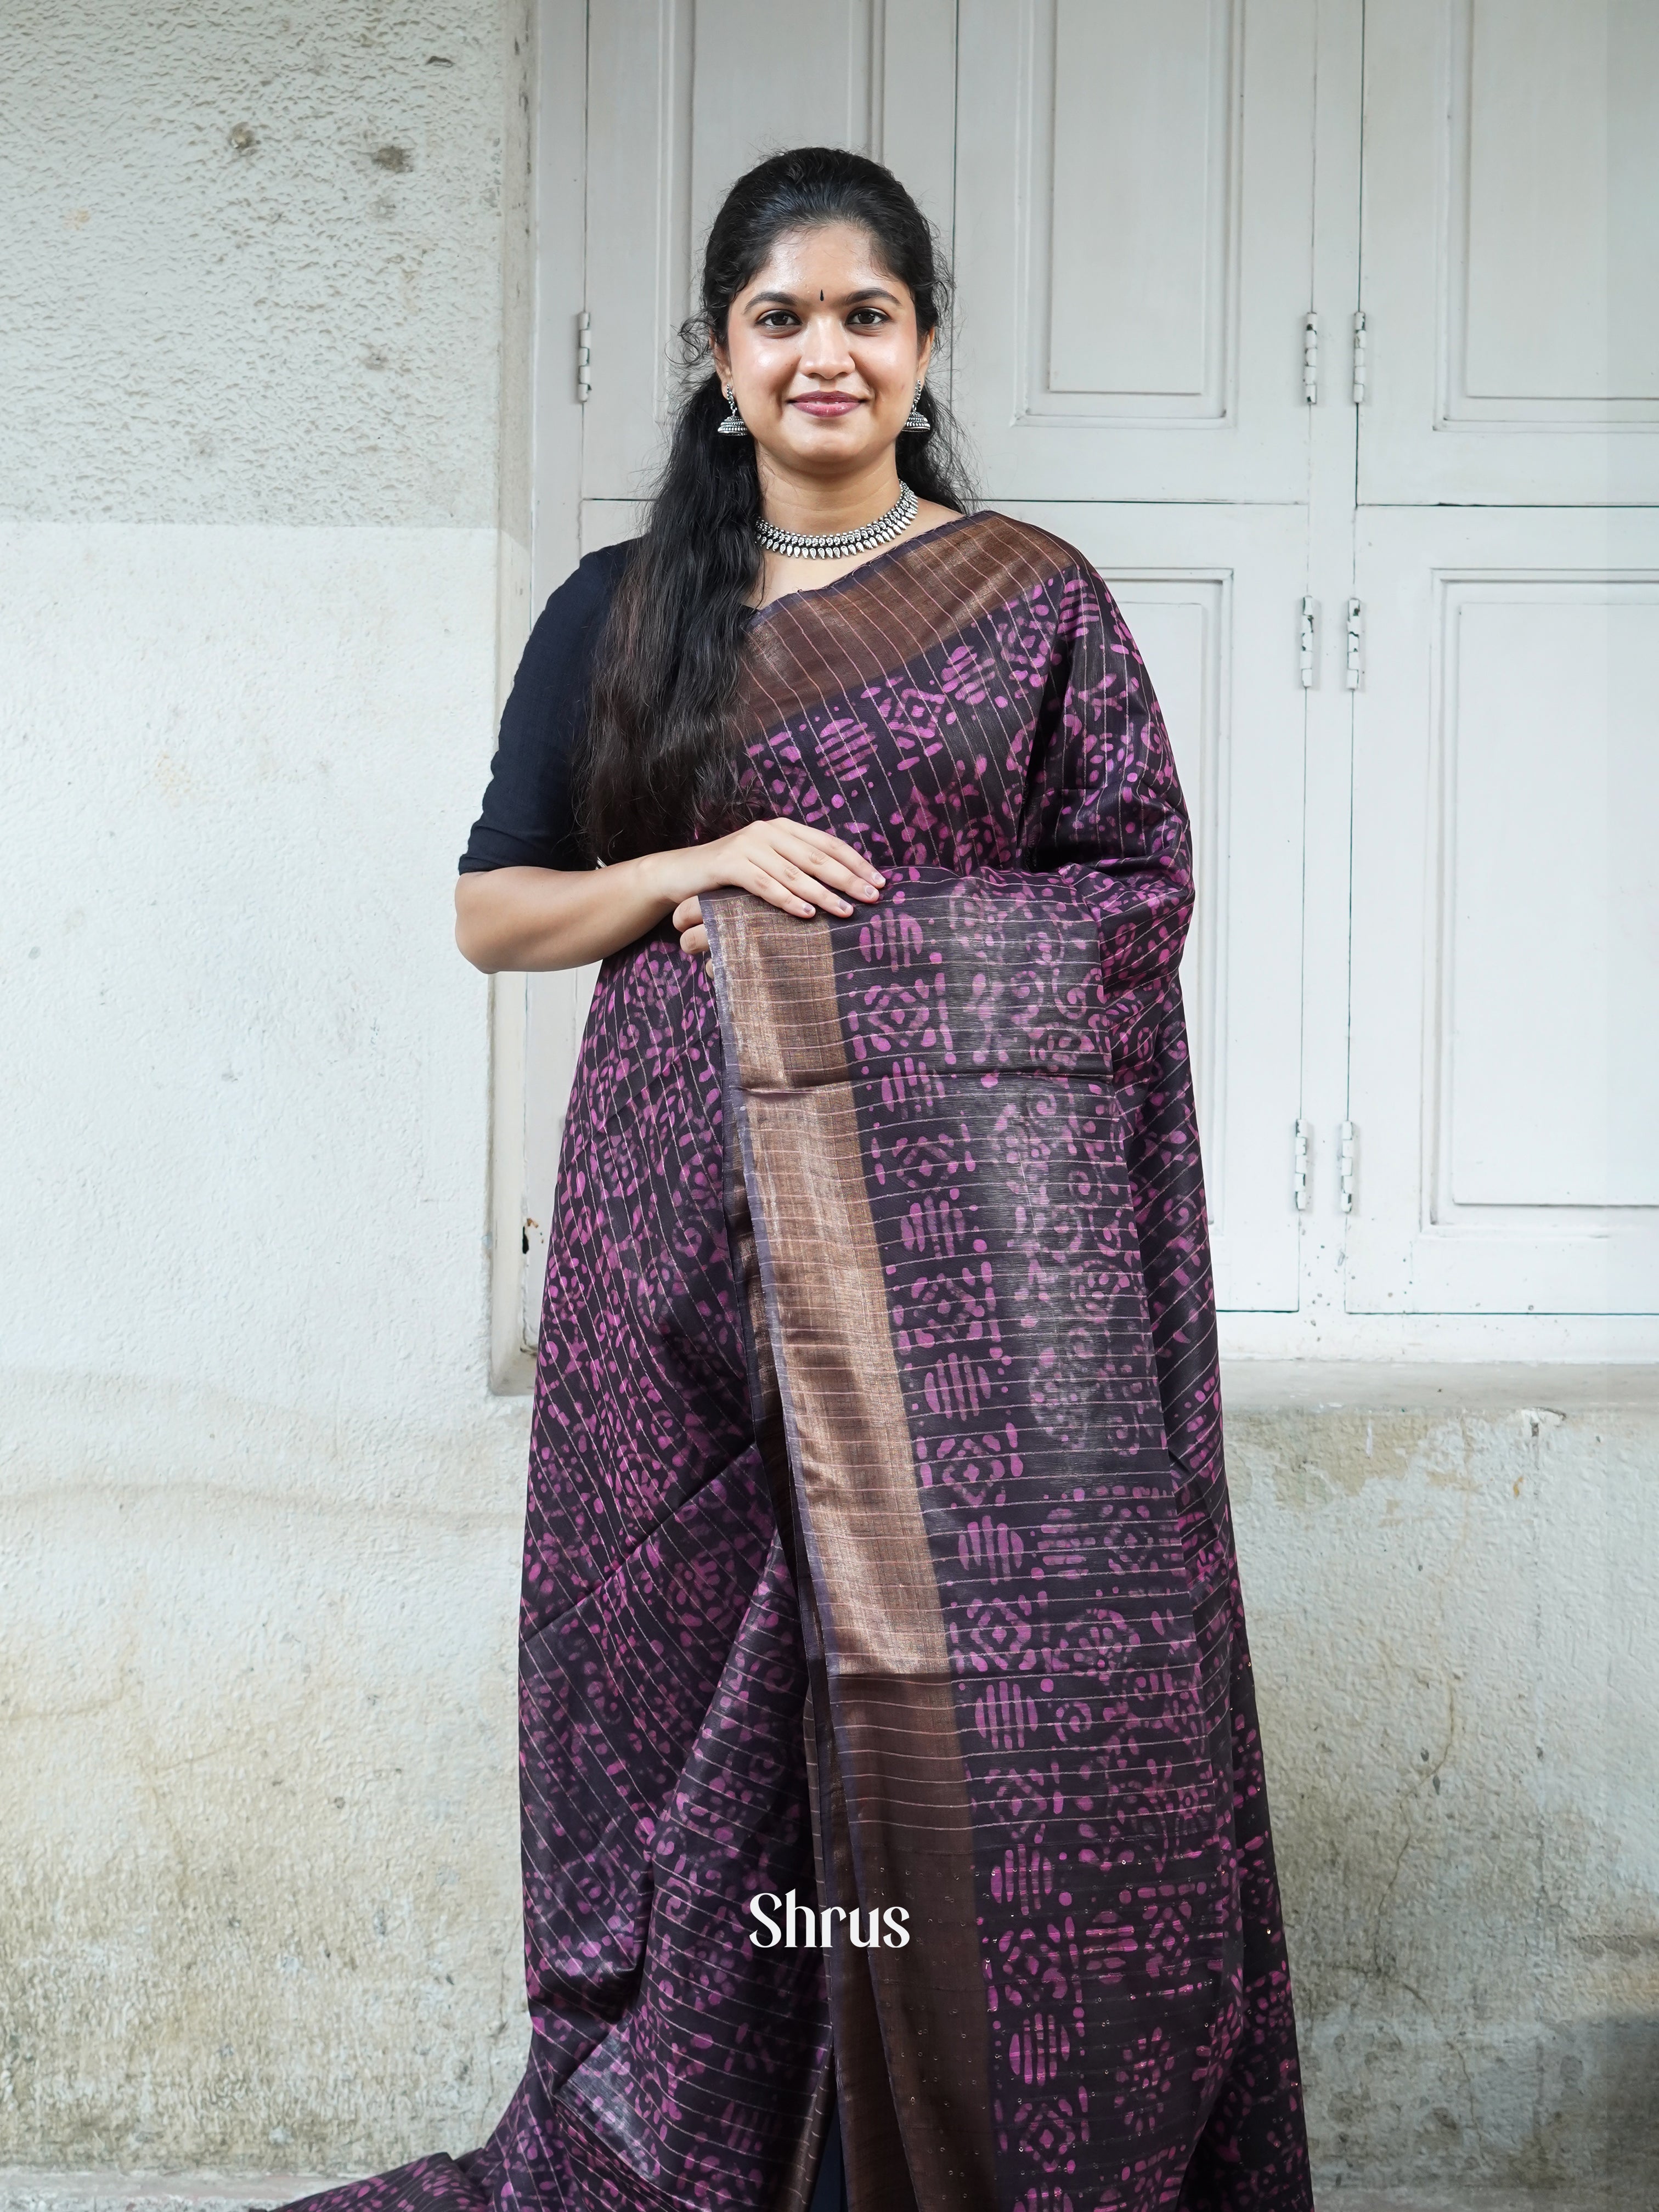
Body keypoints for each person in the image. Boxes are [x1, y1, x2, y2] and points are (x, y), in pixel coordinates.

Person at [288, 147, 1314, 2212]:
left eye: (865, 315)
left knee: (980, 1724)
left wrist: (865, 958)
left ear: (925, 347)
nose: (823, 353)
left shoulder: (1032, 606)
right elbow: (497, 912)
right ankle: (733, 2143)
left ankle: (923, 2158)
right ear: (719, 351)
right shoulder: (625, 609)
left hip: (972, 1296)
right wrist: (704, 866)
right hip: (679, 1259)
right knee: (701, 1709)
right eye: (781, 318)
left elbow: (1138, 893)